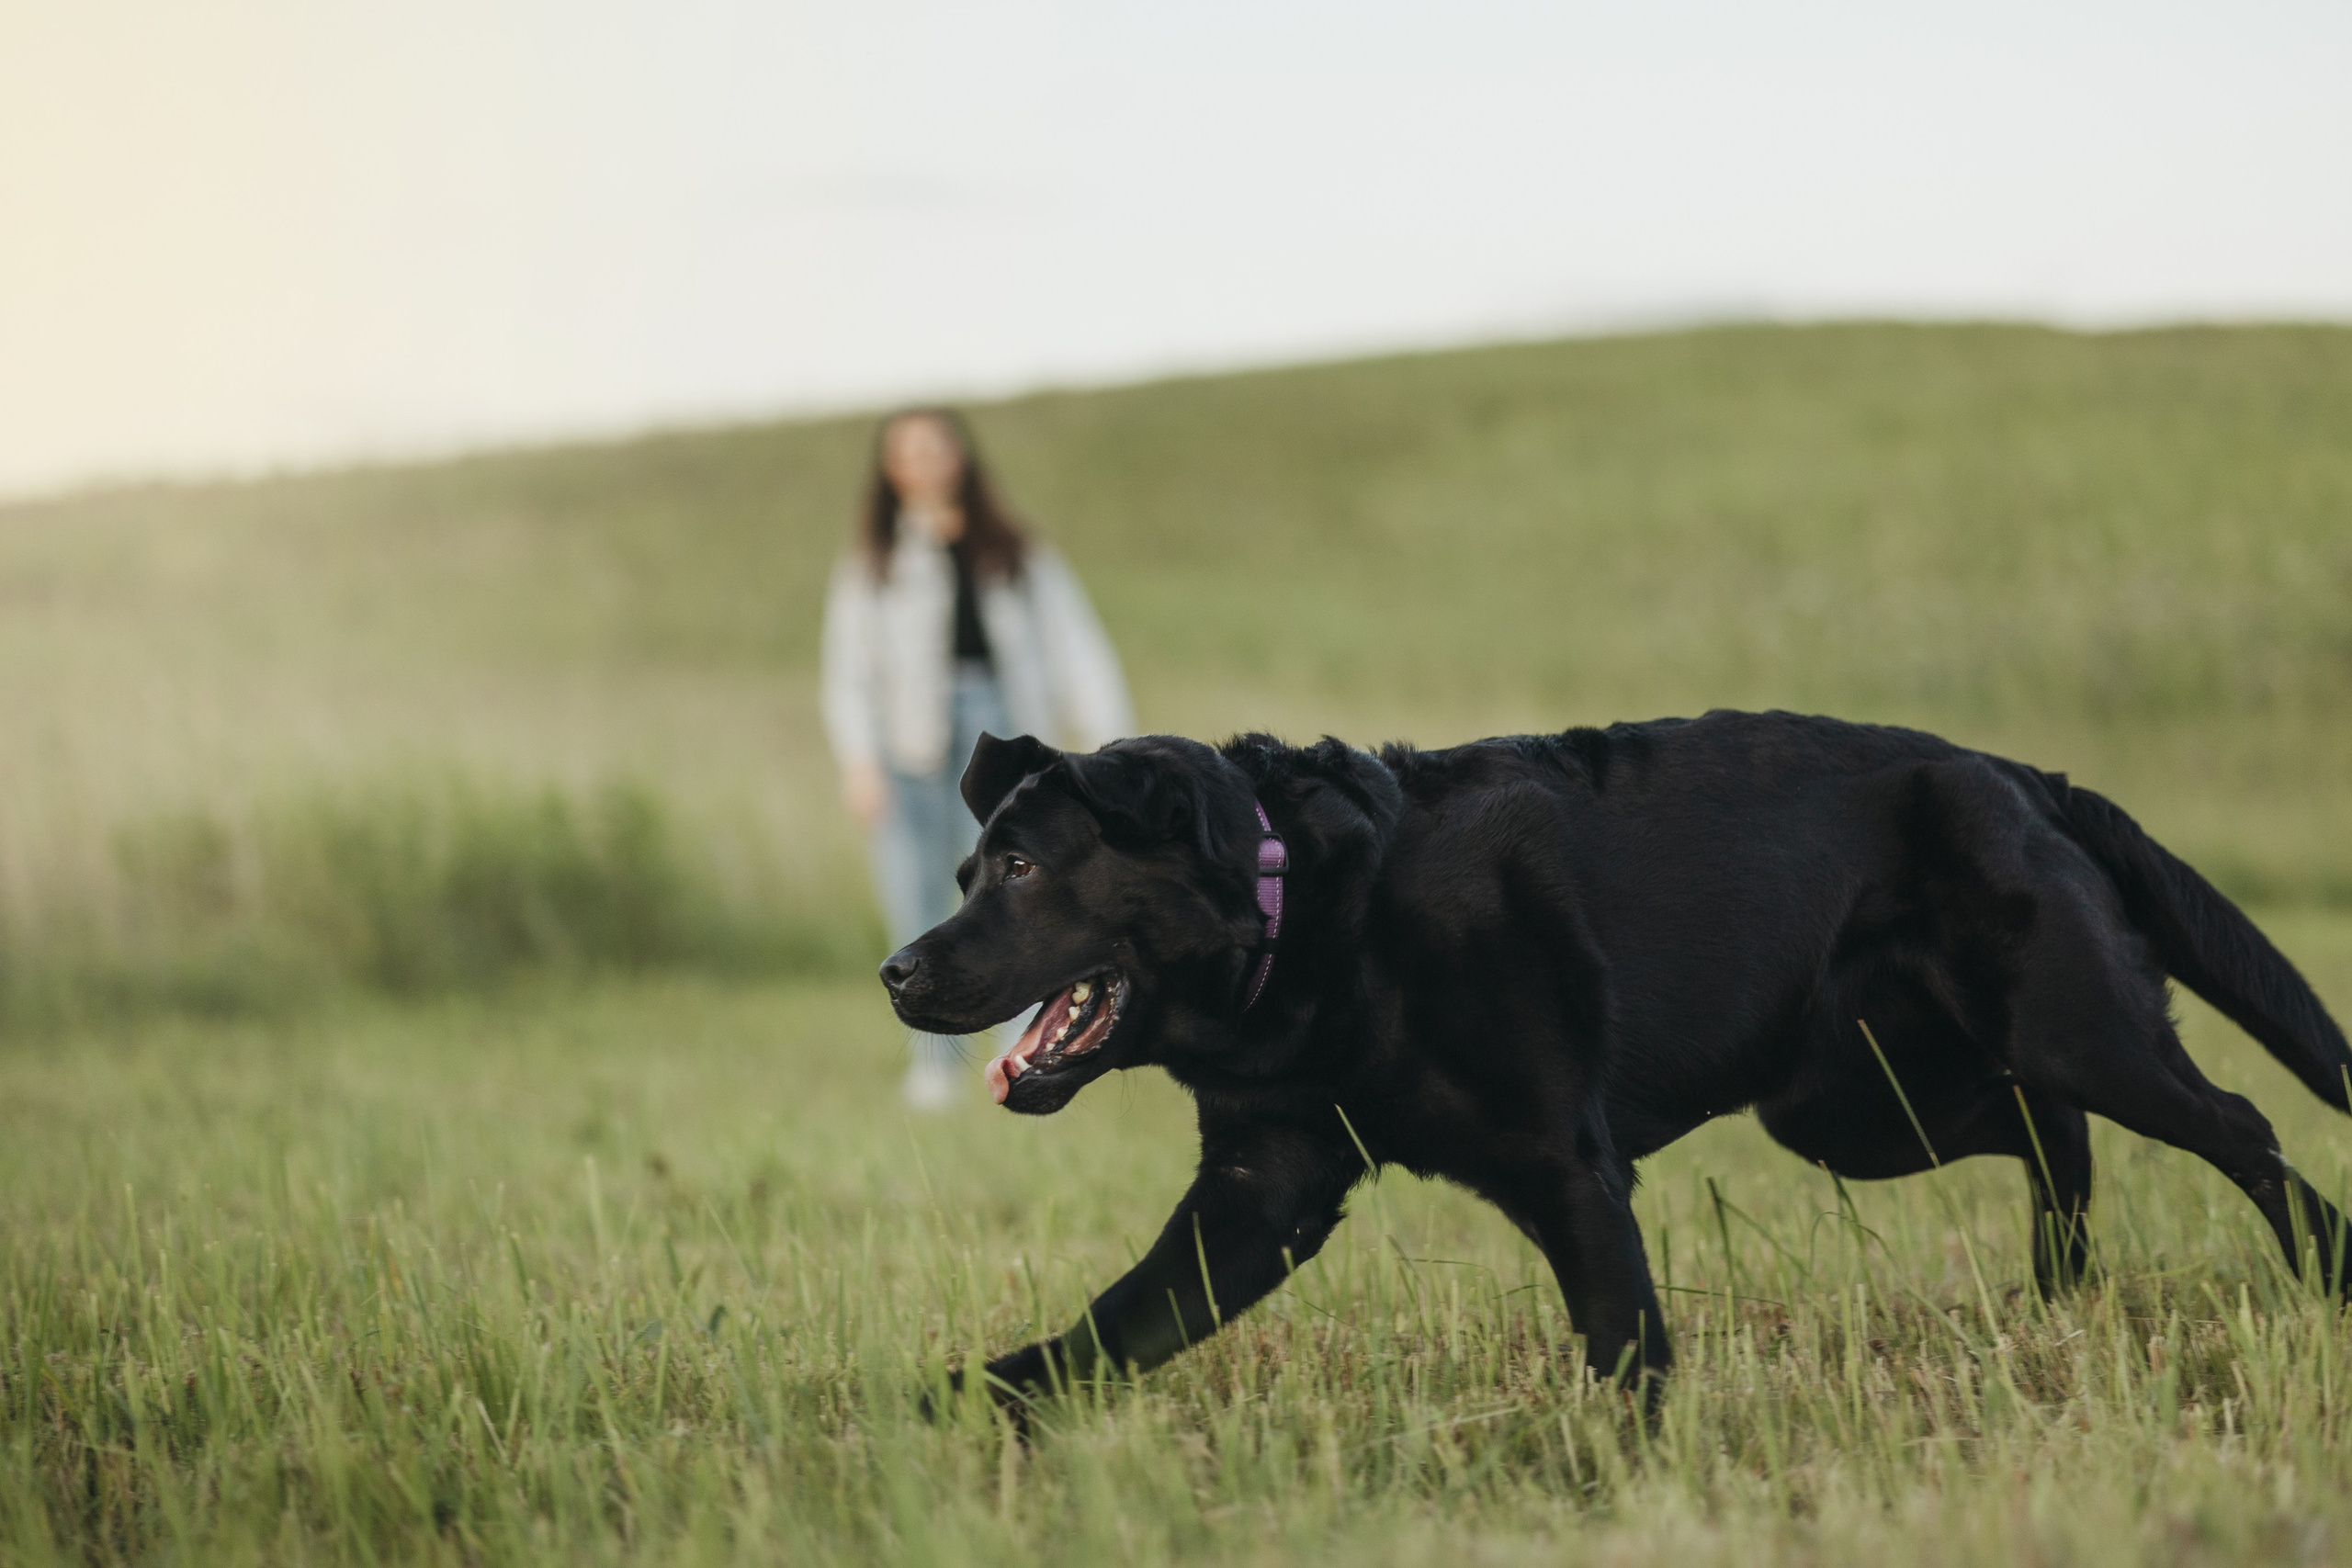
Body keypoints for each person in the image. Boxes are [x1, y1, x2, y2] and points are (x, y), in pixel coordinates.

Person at [821, 410, 1133, 1109]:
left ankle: (1022, 1045)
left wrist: (1112, 737)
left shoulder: (1012, 549)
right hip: (909, 741)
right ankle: (932, 1061)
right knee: (913, 895)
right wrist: (858, 761)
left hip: (1000, 735)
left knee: (1014, 892)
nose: (924, 463)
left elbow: (1075, 643)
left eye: (935, 447)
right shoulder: (876, 561)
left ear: (959, 457)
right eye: (908, 453)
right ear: (891, 468)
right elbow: (848, 669)